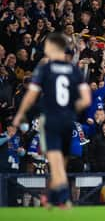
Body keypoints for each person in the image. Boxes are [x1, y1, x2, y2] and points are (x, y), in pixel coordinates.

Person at [12, 33, 91, 208]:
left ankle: (57, 197)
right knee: (60, 161)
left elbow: (32, 94)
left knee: (55, 160)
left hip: (52, 118)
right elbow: (86, 100)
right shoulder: (74, 70)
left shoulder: (46, 69)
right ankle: (59, 198)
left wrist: (20, 113)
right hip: (68, 120)